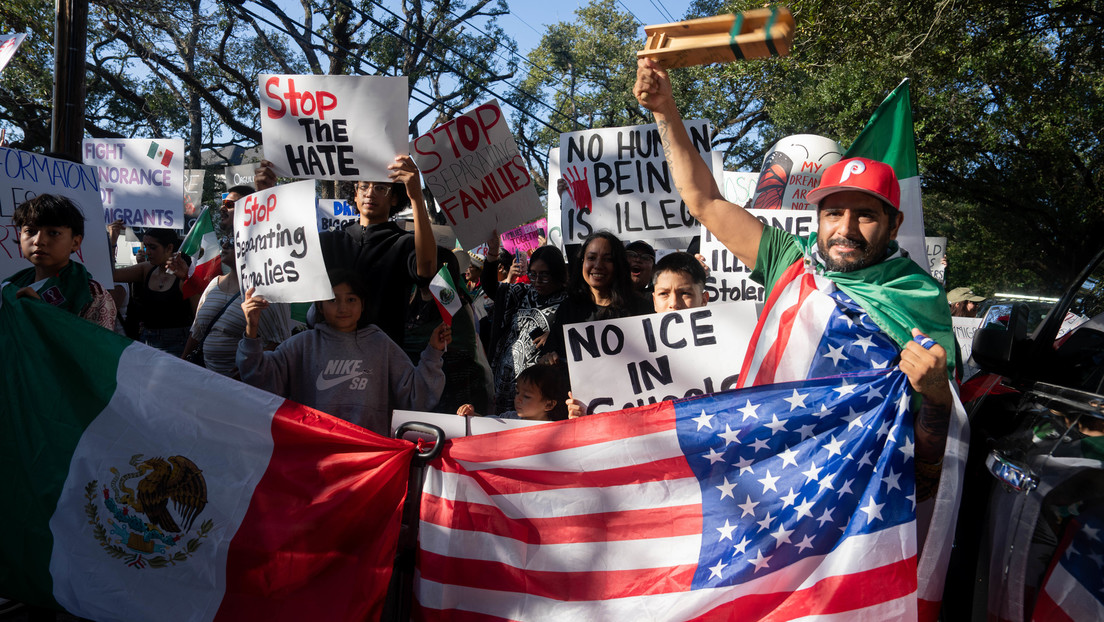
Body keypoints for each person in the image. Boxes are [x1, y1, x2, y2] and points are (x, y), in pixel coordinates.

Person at [635, 57, 954, 461]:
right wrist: (665, 110)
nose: (846, 229)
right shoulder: (791, 261)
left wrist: (939, 394)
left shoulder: (919, 297)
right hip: (768, 479)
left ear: (894, 226)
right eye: (834, 213)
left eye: (867, 215)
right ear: (818, 219)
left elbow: (932, 455)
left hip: (857, 496)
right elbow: (705, 201)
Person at [237, 270, 450, 436]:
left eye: (351, 300)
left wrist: (433, 352)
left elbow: (417, 395)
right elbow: (259, 379)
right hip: (315, 457)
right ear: (320, 306)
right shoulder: (302, 345)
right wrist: (251, 330)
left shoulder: (380, 344)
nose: (342, 308)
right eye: (333, 300)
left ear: (362, 304)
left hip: (368, 460)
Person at [482, 234, 569, 414]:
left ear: (557, 273)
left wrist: (555, 336)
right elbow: (492, 288)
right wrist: (492, 254)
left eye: (544, 275)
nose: (537, 281)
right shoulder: (524, 292)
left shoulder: (569, 303)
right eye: (533, 274)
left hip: (536, 393)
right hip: (505, 384)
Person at [5, 194, 118, 331]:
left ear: (75, 242)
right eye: (30, 231)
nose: (39, 241)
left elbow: (96, 349)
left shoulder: (92, 295)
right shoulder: (10, 287)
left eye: (53, 233)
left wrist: (41, 313)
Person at [540, 231, 654, 367]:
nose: (598, 265)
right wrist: (548, 360)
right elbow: (551, 353)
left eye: (608, 259)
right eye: (591, 258)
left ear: (619, 265)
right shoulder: (568, 308)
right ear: (582, 262)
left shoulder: (641, 308)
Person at [181, 240, 290, 377]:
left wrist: (251, 365)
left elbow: (281, 340)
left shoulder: (268, 291)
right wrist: (182, 362)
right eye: (224, 240)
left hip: (244, 385)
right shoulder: (214, 284)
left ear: (253, 247)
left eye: (233, 242)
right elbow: (196, 332)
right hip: (207, 379)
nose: (225, 245)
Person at [109, 225, 194, 356]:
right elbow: (111, 275)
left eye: (153, 247)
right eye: (146, 246)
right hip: (147, 342)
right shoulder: (146, 269)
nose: (147, 252)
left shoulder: (185, 276)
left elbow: (199, 318)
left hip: (177, 346)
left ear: (169, 248)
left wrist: (185, 356)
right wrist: (112, 241)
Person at [457, 364, 568, 422]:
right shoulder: (509, 418)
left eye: (526, 396)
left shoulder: (555, 429)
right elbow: (487, 424)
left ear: (549, 404)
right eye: (517, 392)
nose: (518, 399)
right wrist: (471, 415)